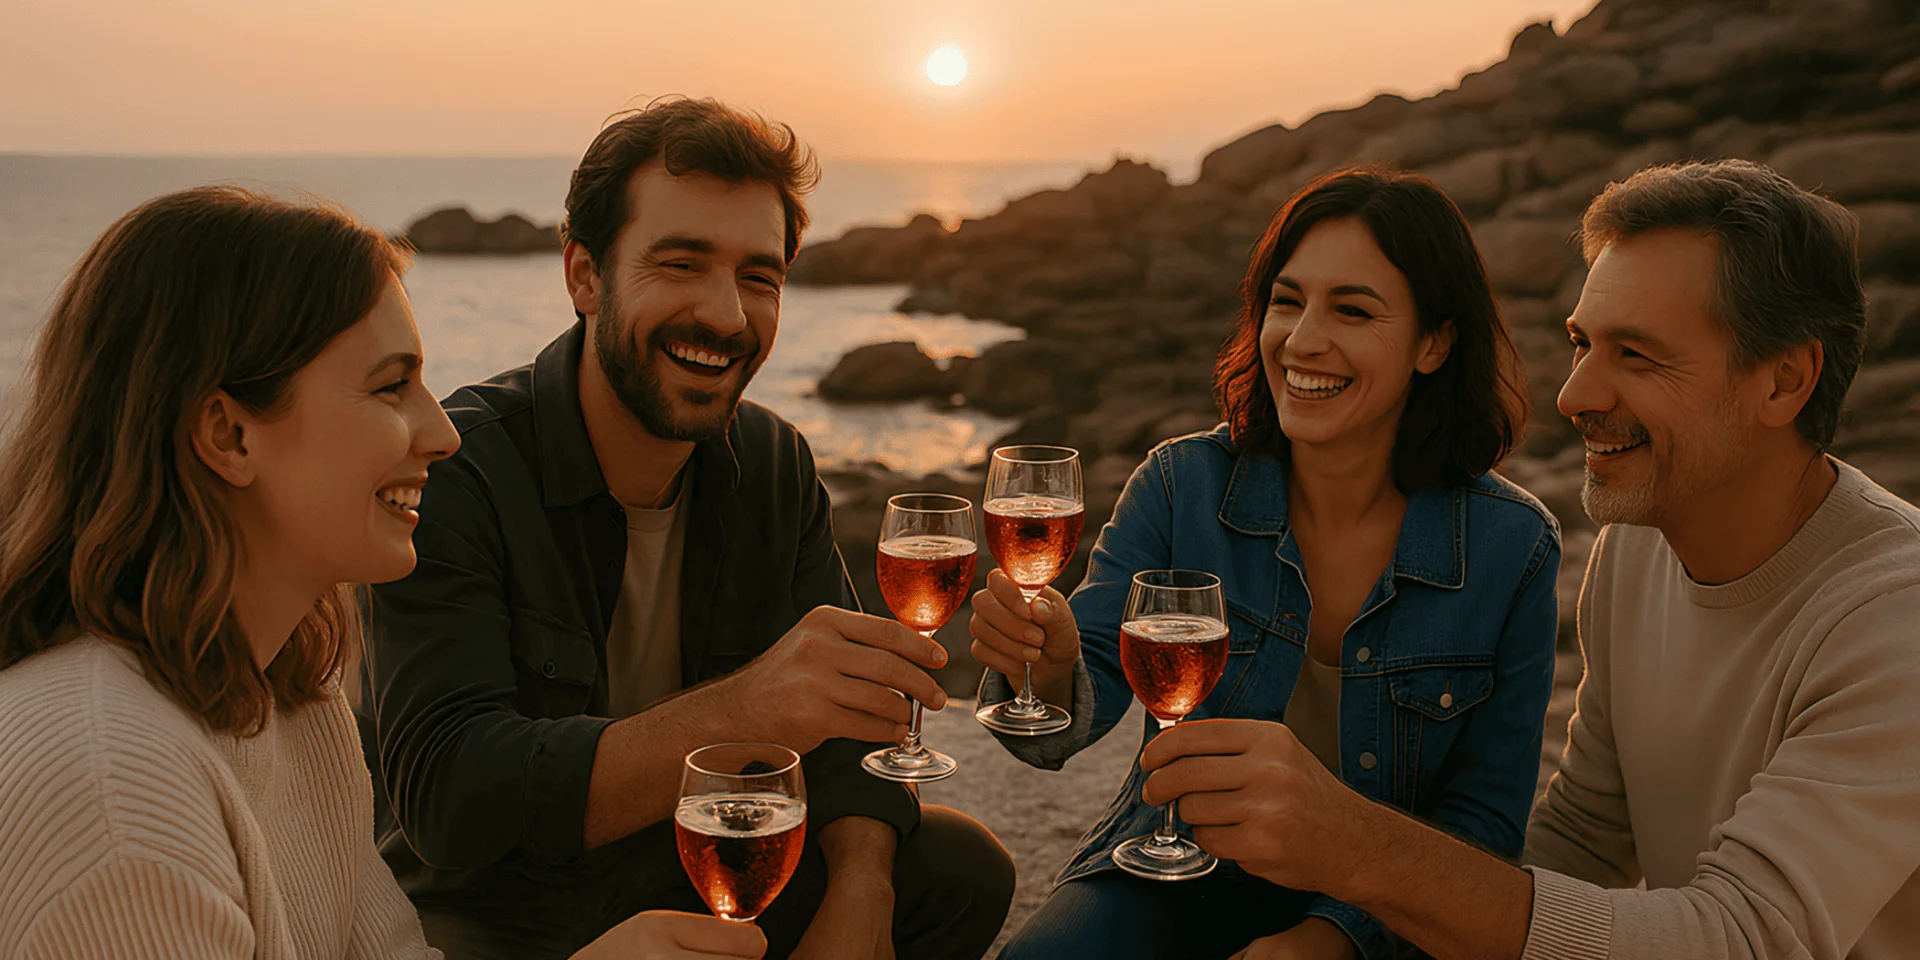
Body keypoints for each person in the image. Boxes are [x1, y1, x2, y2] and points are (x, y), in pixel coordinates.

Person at [1139, 159, 1920, 960]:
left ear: (1785, 380)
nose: (1575, 395)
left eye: (1638, 356)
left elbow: (1741, 937)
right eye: (1583, 344)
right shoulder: (1641, 545)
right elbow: (1582, 834)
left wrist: (1361, 848)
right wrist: (1350, 939)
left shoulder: (1895, 620)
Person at [0, 186, 766, 959]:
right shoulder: (110, 790)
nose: (442, 433)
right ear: (229, 435)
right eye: (391, 385)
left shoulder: (291, 704)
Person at [359, 96, 1014, 960]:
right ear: (584, 277)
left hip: (698, 856)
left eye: (759, 277)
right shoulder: (463, 470)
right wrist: (747, 711)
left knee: (957, 867)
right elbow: (451, 799)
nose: (727, 316)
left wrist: (861, 898)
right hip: (504, 906)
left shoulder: (772, 463)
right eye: (682, 264)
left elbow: (856, 725)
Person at [968, 167, 1561, 960]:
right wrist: (1048, 660)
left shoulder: (1513, 549)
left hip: (1386, 906)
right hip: (1172, 863)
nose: (1303, 340)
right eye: (1287, 301)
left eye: (1352, 309)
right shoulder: (1182, 485)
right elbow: (1066, 723)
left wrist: (1333, 939)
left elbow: (1484, 825)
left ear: (1434, 343)